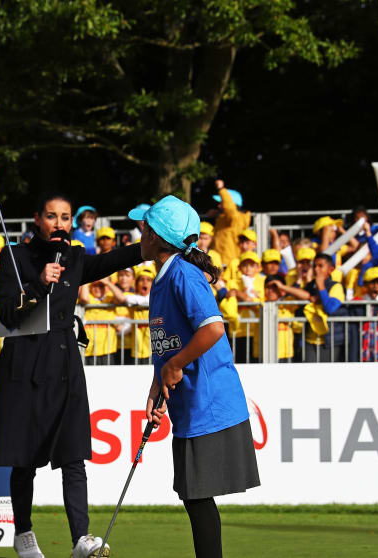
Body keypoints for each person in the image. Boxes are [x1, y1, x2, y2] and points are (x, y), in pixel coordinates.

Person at [0, 193, 142, 558]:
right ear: (36, 219)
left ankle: (81, 539)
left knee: (74, 455)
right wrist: (39, 284)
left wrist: (150, 247)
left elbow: (110, 261)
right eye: (51, 216)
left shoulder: (74, 257)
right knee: (23, 459)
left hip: (64, 363)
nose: (60, 223)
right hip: (24, 364)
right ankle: (23, 533)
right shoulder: (15, 257)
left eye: (65, 217)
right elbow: (7, 314)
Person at [132, 195, 259, 558]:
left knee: (197, 496)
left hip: (210, 401)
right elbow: (167, 344)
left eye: (144, 227)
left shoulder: (184, 274)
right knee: (193, 496)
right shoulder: (164, 276)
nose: (139, 233)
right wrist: (157, 385)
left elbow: (213, 329)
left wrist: (173, 367)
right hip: (188, 404)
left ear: (155, 235)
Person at [209, 180, 250, 264]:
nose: (219, 205)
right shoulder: (225, 218)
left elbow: (230, 209)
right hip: (219, 261)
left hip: (227, 261)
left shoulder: (234, 218)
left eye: (222, 202)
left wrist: (221, 189)